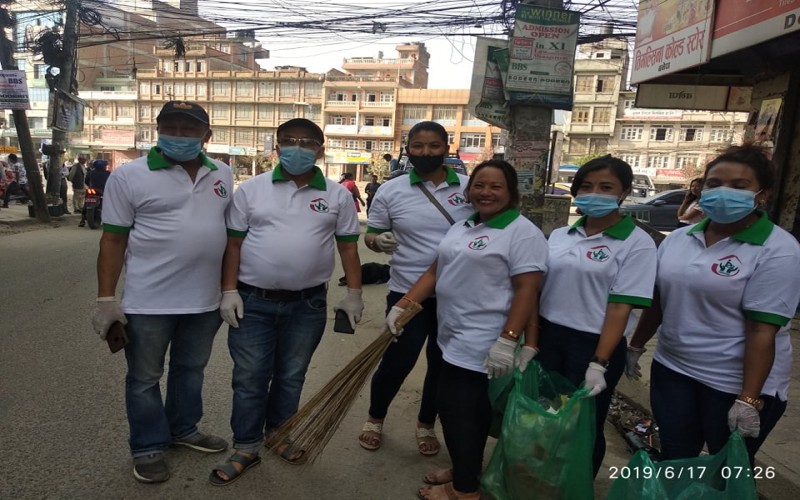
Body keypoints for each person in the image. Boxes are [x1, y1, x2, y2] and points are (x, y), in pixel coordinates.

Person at [211, 118, 363, 485]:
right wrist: (228, 291)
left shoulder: (337, 195)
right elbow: (233, 244)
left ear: (320, 151)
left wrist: (354, 294)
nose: (298, 148)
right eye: (290, 141)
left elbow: (347, 248)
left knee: (291, 375)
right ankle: (246, 446)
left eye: (307, 142)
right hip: (253, 301)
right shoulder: (252, 190)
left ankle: (279, 434)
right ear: (277, 148)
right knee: (250, 377)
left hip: (307, 305)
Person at [627, 145, 800, 467]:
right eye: (714, 183)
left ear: (762, 195)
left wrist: (748, 399)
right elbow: (659, 300)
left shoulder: (777, 249)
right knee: (675, 460)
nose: (723, 192)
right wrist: (636, 346)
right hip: (673, 370)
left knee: (726, 472)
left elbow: (762, 329)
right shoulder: (678, 240)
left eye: (739, 186)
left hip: (732, 383)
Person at [92, 101, 232, 483]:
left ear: (206, 135)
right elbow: (113, 240)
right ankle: (148, 446)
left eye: (189, 129)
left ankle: (183, 429)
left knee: (191, 370)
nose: (179, 136)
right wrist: (106, 299)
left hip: (204, 302)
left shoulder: (222, 172)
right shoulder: (129, 176)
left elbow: (228, 234)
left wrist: (228, 290)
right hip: (149, 302)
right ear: (158, 131)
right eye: (171, 128)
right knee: (144, 377)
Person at [390, 160, 548, 500]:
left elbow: (527, 289)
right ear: (469, 189)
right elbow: (435, 271)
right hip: (452, 332)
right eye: (479, 185)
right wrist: (403, 305)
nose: (486, 192)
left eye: (496, 186)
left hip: (482, 337)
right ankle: (467, 469)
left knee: (455, 408)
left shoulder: (522, 232)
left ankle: (464, 490)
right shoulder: (464, 225)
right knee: (471, 409)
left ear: (512, 193)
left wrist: (508, 340)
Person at [535, 155, 658, 477]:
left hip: (593, 344)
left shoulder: (637, 243)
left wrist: (598, 363)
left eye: (606, 187)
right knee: (545, 414)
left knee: (584, 425)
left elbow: (620, 307)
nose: (594, 194)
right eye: (587, 186)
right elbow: (539, 290)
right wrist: (528, 341)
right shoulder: (560, 236)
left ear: (624, 192)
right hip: (549, 337)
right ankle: (542, 481)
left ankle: (577, 484)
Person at [359, 121, 473, 456]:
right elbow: (371, 234)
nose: (426, 152)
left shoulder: (469, 188)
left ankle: (426, 424)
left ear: (446, 148)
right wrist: (378, 241)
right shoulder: (391, 191)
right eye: (418, 146)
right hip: (406, 292)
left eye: (434, 146)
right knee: (397, 361)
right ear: (408, 149)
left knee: (441, 364)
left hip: (457, 294)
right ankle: (375, 419)